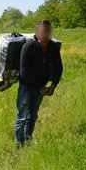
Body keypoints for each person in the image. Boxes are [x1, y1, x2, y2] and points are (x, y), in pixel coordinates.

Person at [14, 19, 63, 148]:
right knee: (22, 117)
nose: (45, 34)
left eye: (47, 31)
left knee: (32, 116)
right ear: (37, 32)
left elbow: (58, 66)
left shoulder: (52, 47)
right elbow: (24, 71)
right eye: (43, 31)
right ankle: (19, 144)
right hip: (26, 87)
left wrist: (53, 85)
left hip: (40, 88)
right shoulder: (28, 46)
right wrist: (40, 87)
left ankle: (28, 141)